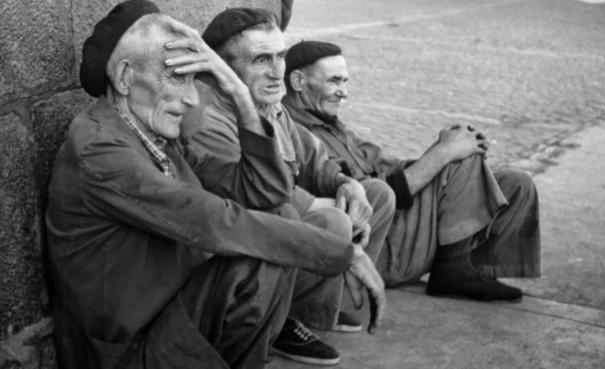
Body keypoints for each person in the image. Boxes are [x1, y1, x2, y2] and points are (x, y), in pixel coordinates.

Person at [46, 2, 384, 368]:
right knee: (260, 258)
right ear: (126, 78)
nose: (192, 98)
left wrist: (239, 96)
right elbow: (214, 221)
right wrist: (341, 252)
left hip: (171, 322)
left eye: (195, 80)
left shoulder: (153, 134)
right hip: (128, 352)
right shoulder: (100, 148)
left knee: (279, 218)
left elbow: (265, 195)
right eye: (177, 77)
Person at [180, 8, 393, 366]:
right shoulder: (205, 119)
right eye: (262, 59)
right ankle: (279, 325)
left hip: (275, 214)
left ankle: (314, 309)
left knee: (374, 195)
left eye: (280, 56)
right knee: (328, 221)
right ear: (222, 70)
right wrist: (323, 205)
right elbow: (259, 197)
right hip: (238, 243)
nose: (278, 70)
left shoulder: (271, 102)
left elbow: (312, 157)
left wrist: (344, 183)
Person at [282, 40, 541, 301]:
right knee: (458, 162)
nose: (344, 92)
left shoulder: (332, 126)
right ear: (298, 82)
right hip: (377, 246)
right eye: (334, 81)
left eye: (345, 82)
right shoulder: (295, 133)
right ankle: (452, 271)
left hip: (401, 228)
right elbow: (378, 195)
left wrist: (443, 146)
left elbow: (389, 166)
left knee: (516, 183)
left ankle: (472, 269)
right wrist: (444, 154)